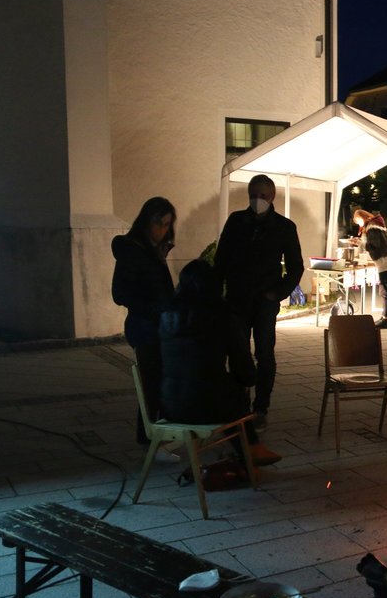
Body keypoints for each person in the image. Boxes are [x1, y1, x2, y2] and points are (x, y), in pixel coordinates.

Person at [159, 261, 281, 465]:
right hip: (207, 406)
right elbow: (245, 371)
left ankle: (249, 452)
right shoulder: (222, 316)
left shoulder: (166, 316)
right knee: (232, 394)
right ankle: (251, 449)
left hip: (170, 404)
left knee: (221, 391)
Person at [214, 174, 305, 432]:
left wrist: (277, 293)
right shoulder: (236, 221)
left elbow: (296, 267)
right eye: (253, 195)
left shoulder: (284, 227)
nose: (257, 200)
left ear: (272, 196)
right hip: (237, 299)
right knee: (238, 353)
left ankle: (261, 408)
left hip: (265, 301)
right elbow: (221, 260)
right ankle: (239, 406)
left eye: (262, 196)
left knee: (264, 353)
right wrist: (218, 292)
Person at [111, 197, 177, 458]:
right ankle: (152, 440)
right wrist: (154, 307)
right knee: (151, 382)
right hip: (145, 325)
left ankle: (154, 435)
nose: (161, 229)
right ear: (146, 221)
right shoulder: (133, 251)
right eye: (158, 223)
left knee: (160, 380)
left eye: (167, 224)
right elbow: (120, 293)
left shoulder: (153, 250)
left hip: (159, 324)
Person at [352, 209, 387, 329]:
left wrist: (360, 243)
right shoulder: (376, 224)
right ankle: (384, 317)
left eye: (358, 221)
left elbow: (374, 245)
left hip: (385, 259)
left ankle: (385, 320)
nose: (359, 224)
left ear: (361, 218)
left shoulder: (371, 227)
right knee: (385, 289)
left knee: (384, 290)